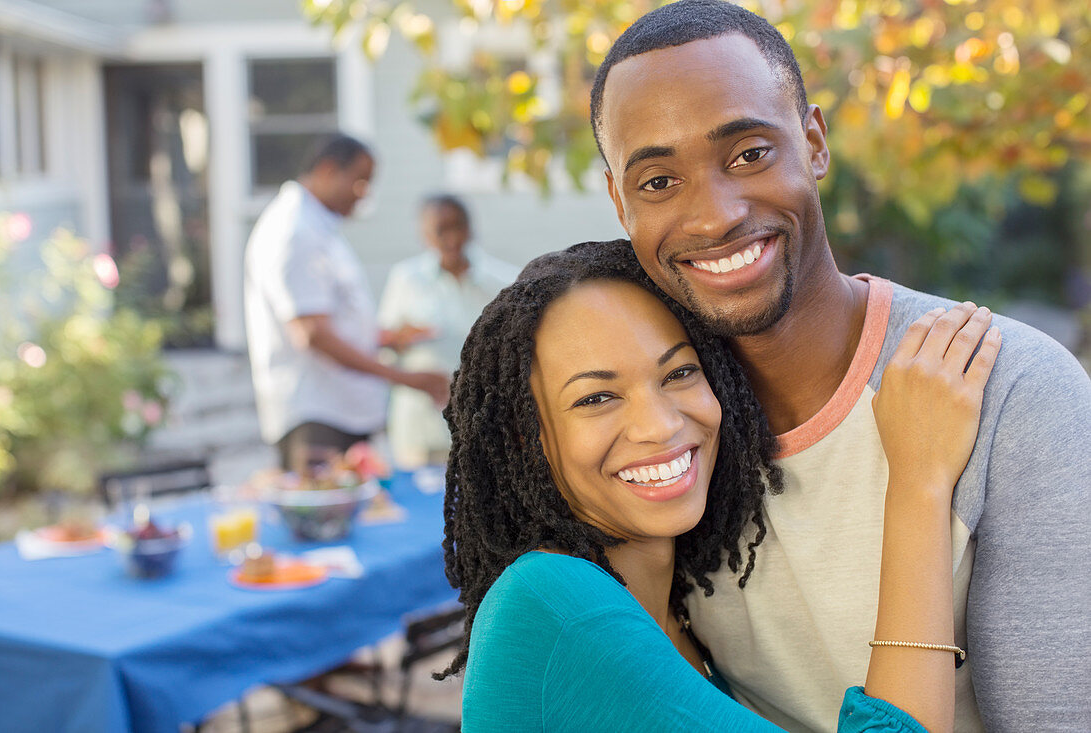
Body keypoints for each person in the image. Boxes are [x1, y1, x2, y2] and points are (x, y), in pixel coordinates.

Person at [588, 2, 1091, 731]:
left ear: (815, 142)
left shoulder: (1008, 390)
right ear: (618, 201)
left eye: (749, 153)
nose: (714, 215)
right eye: (658, 182)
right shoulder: (653, 440)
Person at [441, 241, 1000, 732]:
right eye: (596, 398)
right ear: (523, 439)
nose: (660, 425)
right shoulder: (556, 604)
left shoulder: (673, 613)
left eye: (679, 373)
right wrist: (920, 481)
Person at [243, 134, 449, 471]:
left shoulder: (317, 227)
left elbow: (329, 319)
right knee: (327, 518)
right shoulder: (295, 231)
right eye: (360, 181)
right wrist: (408, 379)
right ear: (326, 170)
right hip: (317, 416)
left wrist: (387, 337)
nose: (365, 193)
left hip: (340, 412)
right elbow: (312, 335)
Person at [378, 194, 517, 468]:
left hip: (483, 429)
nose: (452, 238)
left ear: (471, 228)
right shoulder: (406, 280)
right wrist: (400, 340)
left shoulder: (502, 282)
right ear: (425, 234)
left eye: (459, 226)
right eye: (442, 230)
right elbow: (383, 346)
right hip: (421, 430)